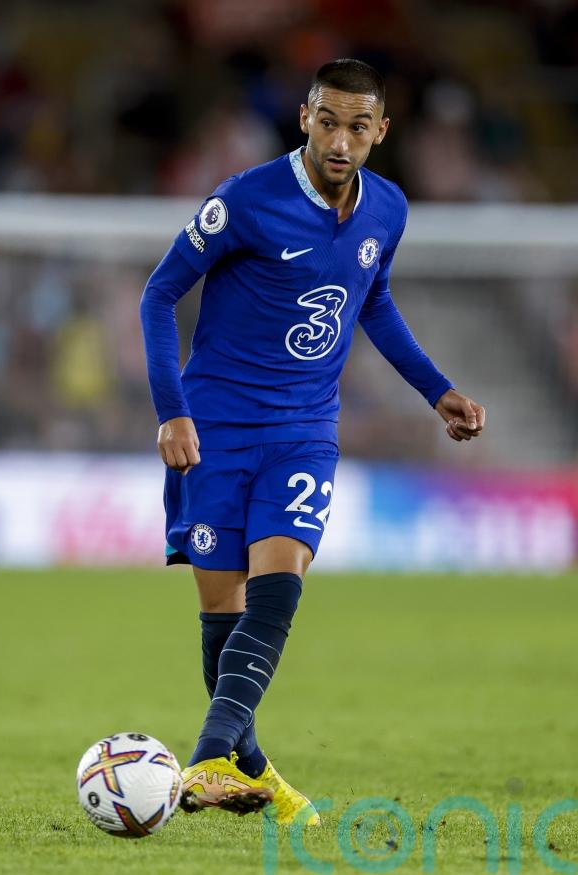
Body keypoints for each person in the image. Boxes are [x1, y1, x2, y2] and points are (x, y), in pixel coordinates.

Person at [139, 58, 486, 825]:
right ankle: (253, 772)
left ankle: (207, 756)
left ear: (381, 130)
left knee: (278, 588)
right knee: (222, 616)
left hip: (303, 430)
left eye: (357, 126)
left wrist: (437, 389)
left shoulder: (388, 209)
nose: (340, 141)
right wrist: (172, 410)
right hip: (215, 428)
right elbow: (159, 293)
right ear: (305, 118)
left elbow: (375, 301)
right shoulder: (245, 200)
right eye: (327, 121)